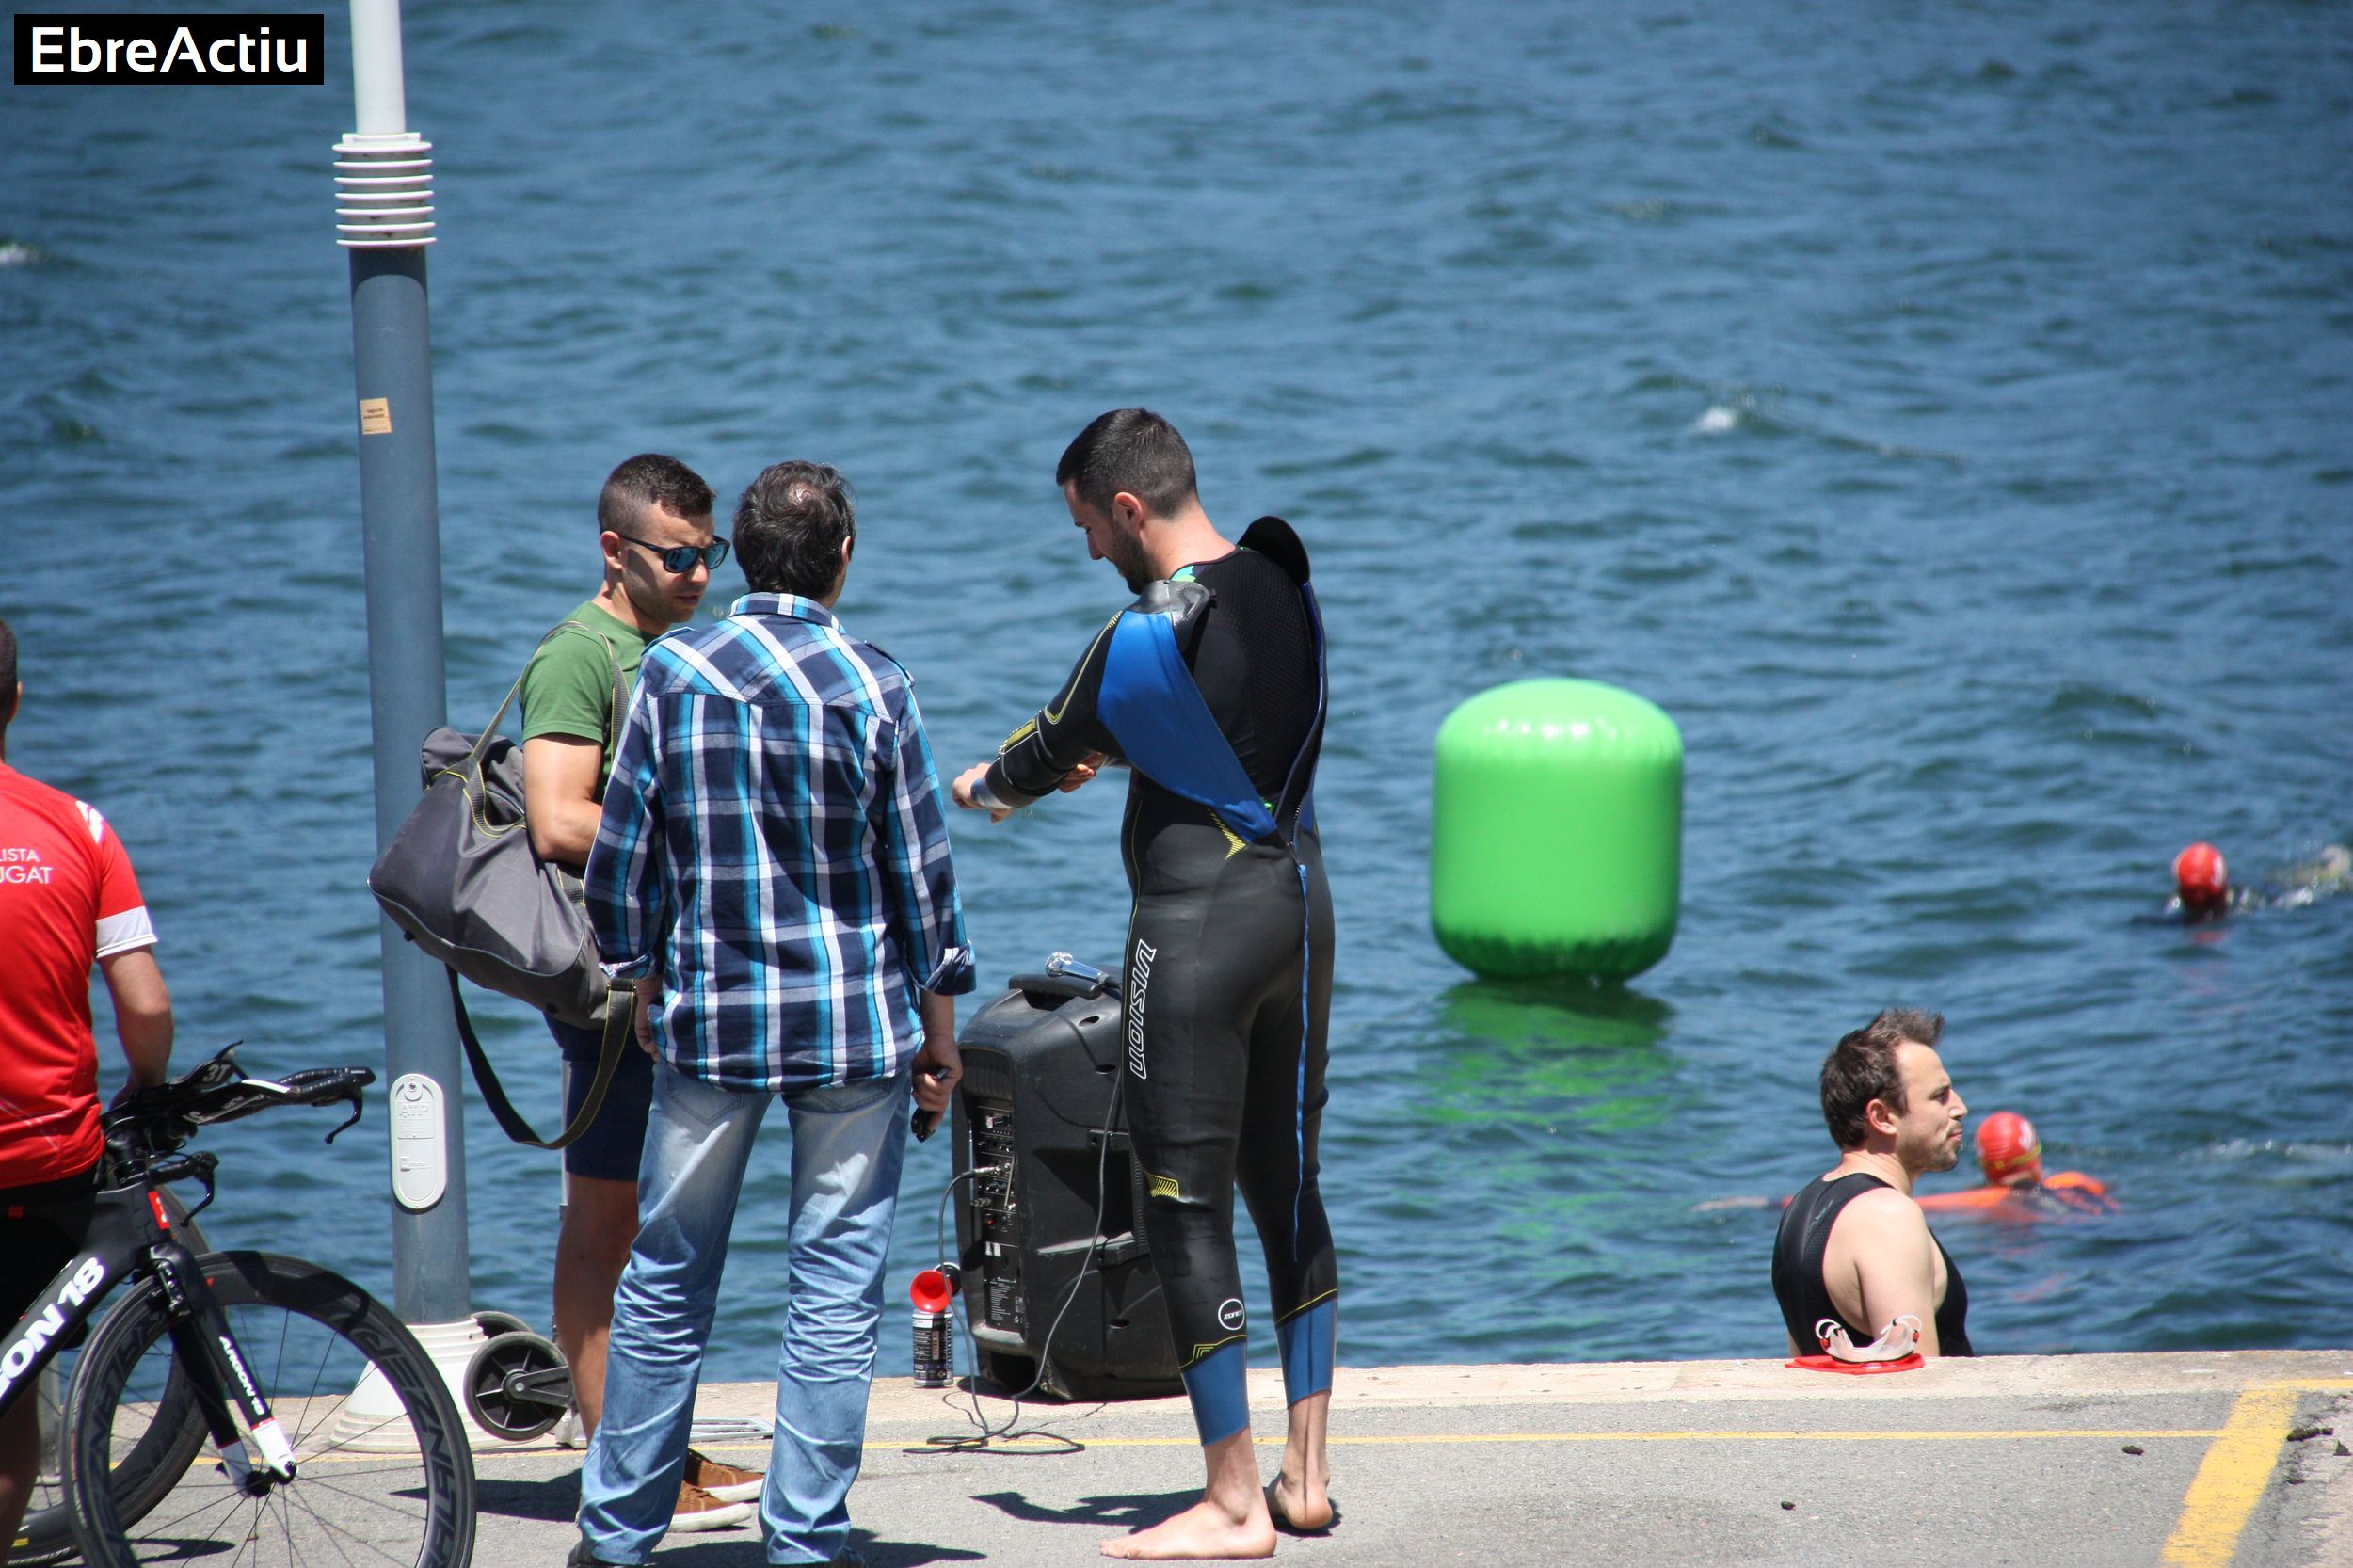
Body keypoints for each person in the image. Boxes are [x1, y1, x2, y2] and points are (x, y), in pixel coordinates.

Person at [951, 409, 1338, 1560]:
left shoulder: (1138, 632)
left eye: (1087, 525)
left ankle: (1232, 1502)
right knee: (1289, 1184)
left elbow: (1037, 749)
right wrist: (1120, 747)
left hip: (1196, 931)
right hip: (1301, 908)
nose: (1088, 550)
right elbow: (1237, 720)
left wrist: (985, 788)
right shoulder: (1284, 578)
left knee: (1181, 1201)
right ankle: (1305, 1481)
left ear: (1128, 507)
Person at [574, 461, 971, 1568]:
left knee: (666, 1276)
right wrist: (940, 1033)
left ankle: (616, 1536)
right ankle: (803, 1540)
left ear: (739, 555)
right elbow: (922, 882)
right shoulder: (876, 683)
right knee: (835, 1290)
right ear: (842, 557)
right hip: (854, 1031)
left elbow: (621, 860)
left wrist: (640, 974)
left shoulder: (671, 672)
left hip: (710, 1023)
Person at [516, 454, 760, 1526]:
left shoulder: (675, 648)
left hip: (674, 978)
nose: (700, 574)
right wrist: (689, 837)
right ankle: (621, 1457)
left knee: (659, 1225)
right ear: (615, 550)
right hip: (608, 990)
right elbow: (556, 815)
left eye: (711, 554)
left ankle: (655, 1445)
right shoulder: (582, 654)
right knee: (605, 1219)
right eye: (679, 556)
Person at [0, 616, 174, 1566]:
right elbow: (143, 1006)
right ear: (15, 703)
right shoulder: (79, 828)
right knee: (12, 1397)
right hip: (50, 1159)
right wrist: (147, 1085)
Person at [1771, 1008, 1975, 1359]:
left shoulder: (1801, 1209)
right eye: (1939, 1096)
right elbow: (1915, 1381)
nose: (1960, 1108)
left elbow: (1806, 1359)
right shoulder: (1887, 1217)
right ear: (1882, 1117)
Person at [1915, 1110, 2115, 1217]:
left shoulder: (1982, 1200)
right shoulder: (2073, 1181)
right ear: (2034, 1151)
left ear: (1984, 1162)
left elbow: (1915, 1207)